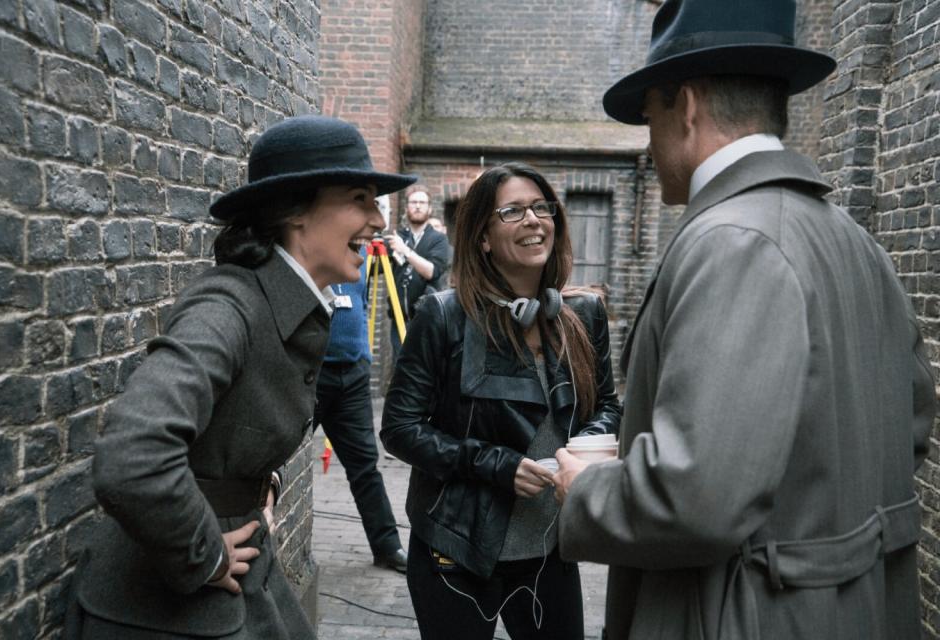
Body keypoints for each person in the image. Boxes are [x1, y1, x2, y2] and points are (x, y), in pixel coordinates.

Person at [552, 1, 937, 639]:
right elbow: (909, 421)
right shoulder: (852, 239)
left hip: (745, 616)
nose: (649, 138)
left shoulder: (732, 240)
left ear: (689, 106)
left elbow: (697, 497)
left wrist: (590, 488)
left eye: (650, 115)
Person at [63, 116, 416, 640]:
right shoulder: (229, 306)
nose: (377, 220)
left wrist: (259, 484)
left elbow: (236, 428)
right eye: (360, 199)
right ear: (297, 211)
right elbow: (131, 456)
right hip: (165, 602)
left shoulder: (286, 302)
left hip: (239, 563)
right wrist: (204, 555)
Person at [381, 162, 622, 640]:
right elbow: (400, 428)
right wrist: (496, 464)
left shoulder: (584, 314)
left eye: (541, 208)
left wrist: (583, 451)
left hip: (549, 552)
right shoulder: (443, 316)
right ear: (484, 238)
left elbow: (609, 407)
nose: (533, 219)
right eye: (512, 211)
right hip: (456, 552)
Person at [313, 250, 408, 572]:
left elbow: (361, 299)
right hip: (313, 373)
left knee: (366, 466)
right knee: (281, 458)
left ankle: (387, 546)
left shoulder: (364, 254)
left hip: (352, 372)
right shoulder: (316, 245)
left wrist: (363, 355)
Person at [385, 184, 449, 360]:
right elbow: (377, 271)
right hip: (399, 319)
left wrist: (405, 251)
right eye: (414, 202)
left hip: (428, 319)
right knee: (400, 368)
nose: (418, 206)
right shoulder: (397, 236)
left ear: (429, 208)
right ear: (407, 207)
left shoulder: (438, 239)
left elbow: (432, 271)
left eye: (422, 202)